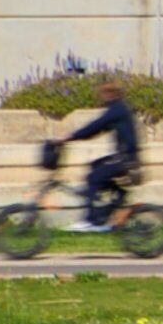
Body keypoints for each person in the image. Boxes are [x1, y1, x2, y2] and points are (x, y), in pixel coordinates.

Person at [58, 81, 143, 231]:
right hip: (126, 156)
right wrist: (77, 137)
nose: (100, 97)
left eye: (102, 94)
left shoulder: (117, 109)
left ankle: (92, 220)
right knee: (95, 166)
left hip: (125, 158)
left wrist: (69, 136)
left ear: (110, 94)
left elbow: (96, 125)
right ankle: (115, 200)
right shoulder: (118, 108)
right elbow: (97, 130)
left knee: (93, 177)